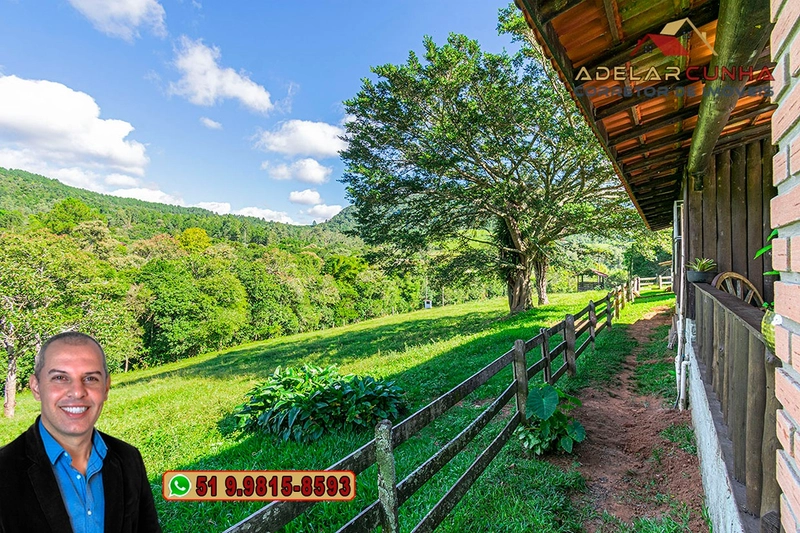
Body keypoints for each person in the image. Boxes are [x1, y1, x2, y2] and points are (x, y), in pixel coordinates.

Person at [0, 332, 162, 533]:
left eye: (90, 378)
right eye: (60, 378)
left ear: (106, 388)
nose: (77, 392)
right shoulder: (4, 470)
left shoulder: (129, 459)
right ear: (36, 387)